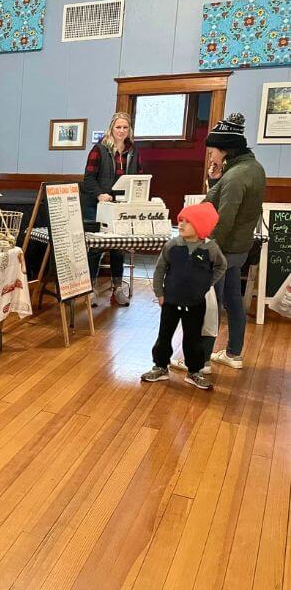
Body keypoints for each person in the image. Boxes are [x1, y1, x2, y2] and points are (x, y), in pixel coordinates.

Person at [199, 113, 265, 370]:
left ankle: (201, 361)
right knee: (233, 299)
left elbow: (223, 218)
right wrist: (215, 177)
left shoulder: (237, 176)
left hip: (224, 249)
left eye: (213, 151)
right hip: (240, 248)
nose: (211, 157)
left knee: (210, 304)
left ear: (225, 149)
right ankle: (233, 353)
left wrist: (207, 250)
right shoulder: (251, 168)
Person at [142, 202, 226, 390]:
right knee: (164, 335)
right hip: (171, 301)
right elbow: (160, 269)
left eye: (187, 222)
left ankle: (194, 371)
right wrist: (159, 293)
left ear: (201, 226)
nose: (180, 225)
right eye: (180, 220)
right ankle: (160, 366)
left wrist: (207, 284)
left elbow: (221, 266)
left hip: (195, 303)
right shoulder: (172, 245)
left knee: (193, 338)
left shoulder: (210, 249)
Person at [82, 112, 143, 306]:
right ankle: (90, 290)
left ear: (129, 130)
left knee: (119, 248)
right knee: (95, 248)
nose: (122, 131)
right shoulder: (99, 149)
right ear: (111, 128)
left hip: (121, 207)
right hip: (98, 204)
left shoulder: (133, 151)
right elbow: (88, 179)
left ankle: (117, 289)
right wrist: (100, 194)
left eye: (125, 127)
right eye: (118, 127)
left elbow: (138, 178)